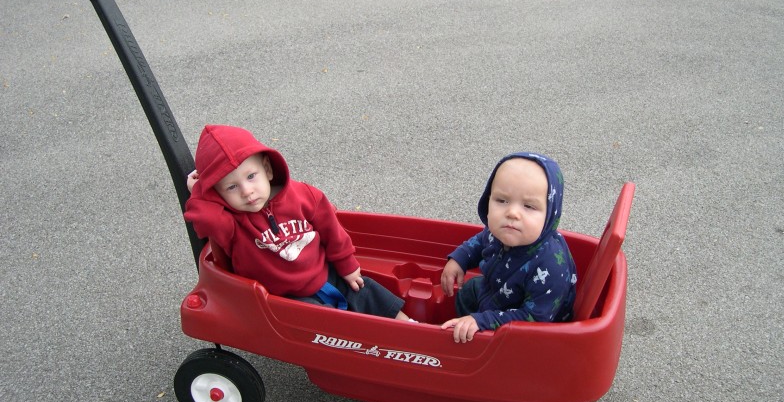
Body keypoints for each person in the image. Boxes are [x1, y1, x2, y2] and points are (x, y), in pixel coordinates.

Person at [184, 124, 413, 321]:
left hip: (325, 273)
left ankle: (409, 327)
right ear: (217, 194)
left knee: (366, 289)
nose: (247, 191)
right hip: (285, 299)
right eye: (231, 187)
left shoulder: (303, 196)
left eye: (251, 176)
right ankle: (362, 347)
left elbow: (331, 230)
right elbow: (204, 221)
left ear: (267, 169)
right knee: (322, 321)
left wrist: (347, 265)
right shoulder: (231, 224)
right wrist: (200, 193)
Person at [440, 152, 577, 342]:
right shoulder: (503, 231)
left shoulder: (550, 266)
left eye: (529, 206)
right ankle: (458, 332)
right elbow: (482, 240)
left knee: (481, 321)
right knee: (468, 290)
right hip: (497, 293)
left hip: (524, 329)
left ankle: (471, 343)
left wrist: (483, 320)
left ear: (550, 214)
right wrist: (460, 258)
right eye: (502, 200)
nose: (512, 212)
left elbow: (534, 319)